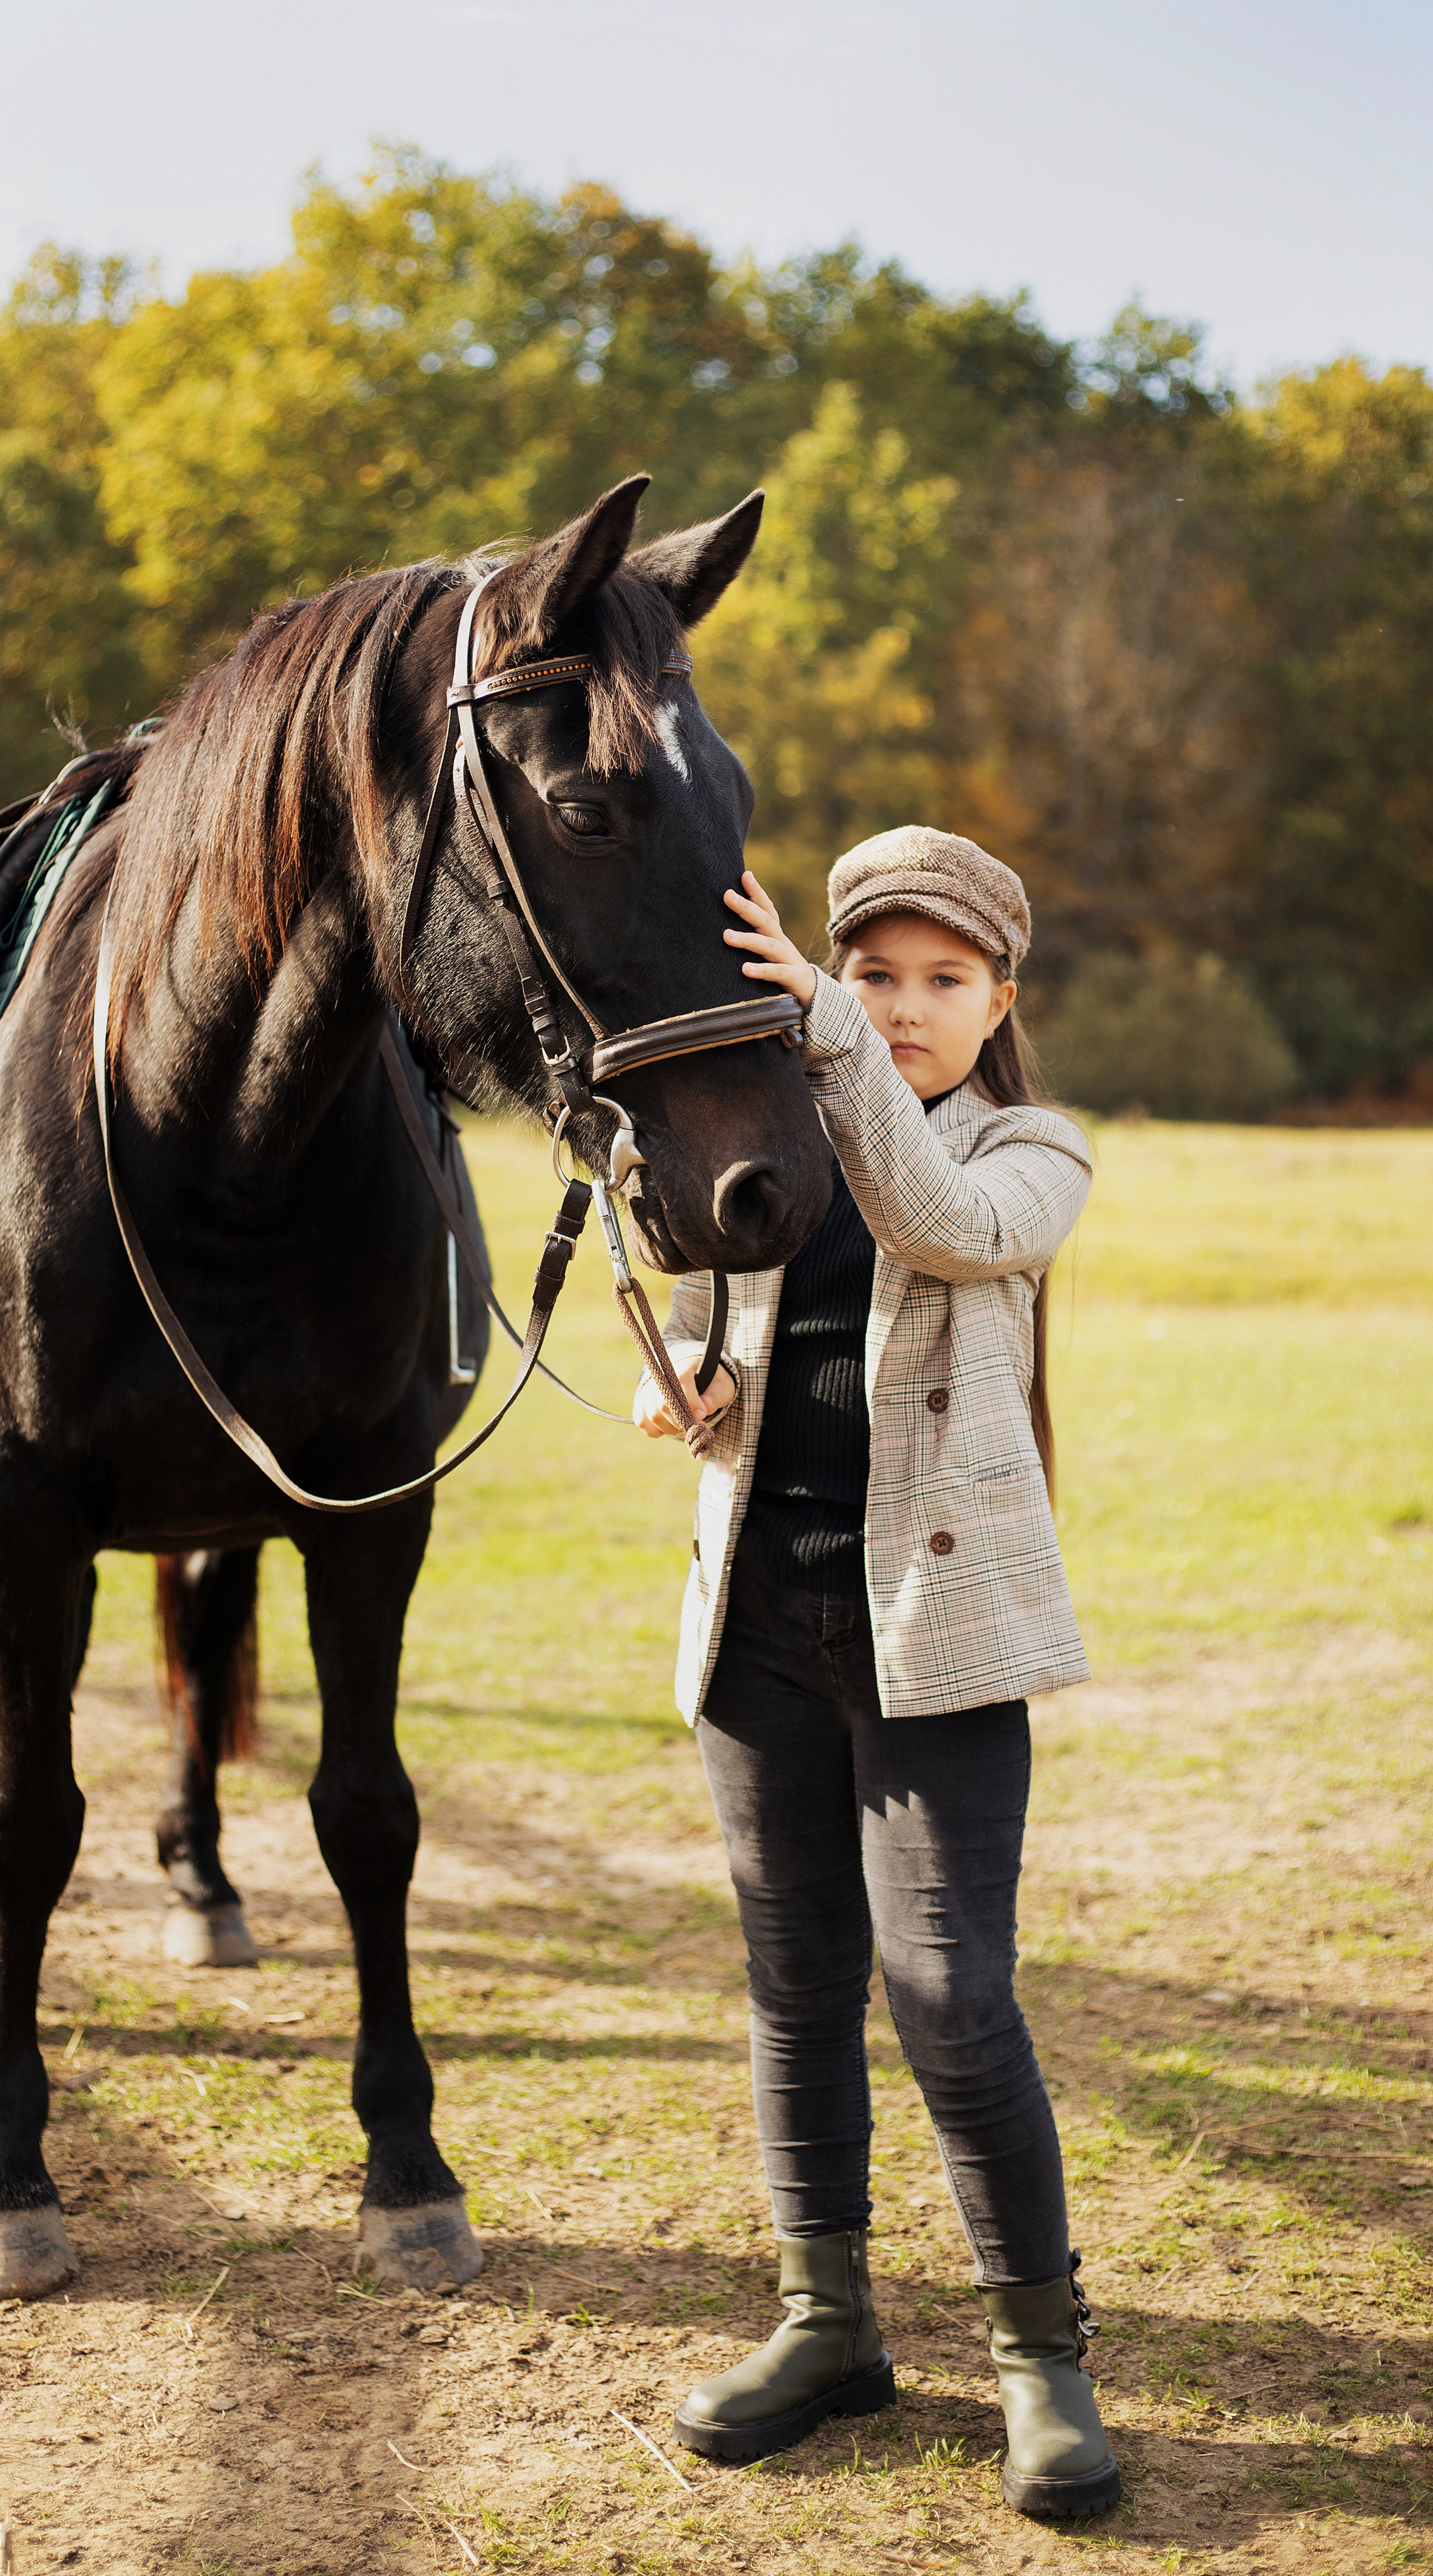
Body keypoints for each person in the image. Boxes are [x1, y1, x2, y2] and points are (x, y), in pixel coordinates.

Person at [633, 826, 1118, 2520]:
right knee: (793, 1979)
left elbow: (939, 1223)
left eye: (938, 981)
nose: (901, 1007)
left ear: (998, 1000)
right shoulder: (771, 1133)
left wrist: (828, 1049)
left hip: (937, 1633)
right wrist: (679, 1377)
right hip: (755, 1613)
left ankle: (1038, 2357)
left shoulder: (1030, 1148)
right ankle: (825, 2323)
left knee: (947, 1993)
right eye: (869, 974)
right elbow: (705, 1304)